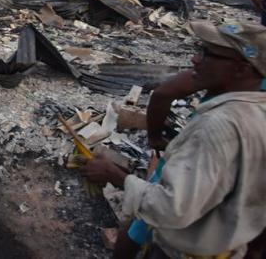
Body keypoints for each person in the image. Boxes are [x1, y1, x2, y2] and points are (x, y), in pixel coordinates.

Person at [81, 21, 266, 258]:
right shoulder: (255, 111)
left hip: (182, 251)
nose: (195, 59)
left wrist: (115, 176)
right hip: (229, 247)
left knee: (137, 227)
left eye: (208, 54)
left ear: (242, 69)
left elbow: (171, 209)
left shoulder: (217, 127)